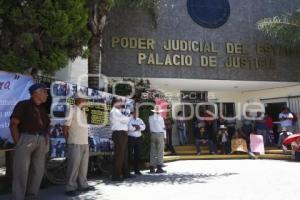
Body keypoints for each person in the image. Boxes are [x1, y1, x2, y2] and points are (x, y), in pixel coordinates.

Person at [10, 83, 50, 200]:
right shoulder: (23, 105)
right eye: (44, 92)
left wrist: (46, 138)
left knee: (38, 171)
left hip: (41, 141)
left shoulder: (42, 109)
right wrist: (18, 142)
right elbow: (13, 123)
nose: (46, 94)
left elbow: (47, 126)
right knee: (21, 171)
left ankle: (31, 196)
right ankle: (18, 197)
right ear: (36, 93)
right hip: (26, 139)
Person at [63, 93, 95, 196]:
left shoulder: (83, 111)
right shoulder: (71, 109)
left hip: (84, 143)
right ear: (79, 99)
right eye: (85, 99)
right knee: (73, 167)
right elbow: (65, 127)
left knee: (83, 166)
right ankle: (70, 187)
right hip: (74, 142)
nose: (87, 101)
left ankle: (83, 185)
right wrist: (68, 141)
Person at [110, 98, 133, 181]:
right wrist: (130, 116)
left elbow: (125, 121)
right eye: (120, 103)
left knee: (124, 154)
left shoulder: (118, 111)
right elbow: (125, 120)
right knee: (119, 155)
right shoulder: (114, 111)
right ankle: (116, 175)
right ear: (115, 103)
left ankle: (125, 173)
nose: (121, 104)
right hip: (119, 134)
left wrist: (128, 118)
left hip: (122, 133)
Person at [149, 105, 167, 173]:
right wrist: (165, 136)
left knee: (152, 151)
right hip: (160, 134)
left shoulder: (150, 117)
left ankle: (152, 167)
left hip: (153, 134)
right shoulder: (160, 118)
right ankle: (159, 167)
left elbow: (150, 127)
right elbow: (163, 128)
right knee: (160, 151)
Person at [128, 110, 146, 175]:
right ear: (132, 113)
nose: (136, 114)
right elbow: (129, 127)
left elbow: (144, 127)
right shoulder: (129, 120)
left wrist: (136, 126)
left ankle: (137, 170)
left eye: (137, 113)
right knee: (129, 154)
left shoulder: (140, 120)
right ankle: (128, 170)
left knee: (137, 154)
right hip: (131, 138)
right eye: (135, 113)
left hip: (138, 138)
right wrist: (138, 127)